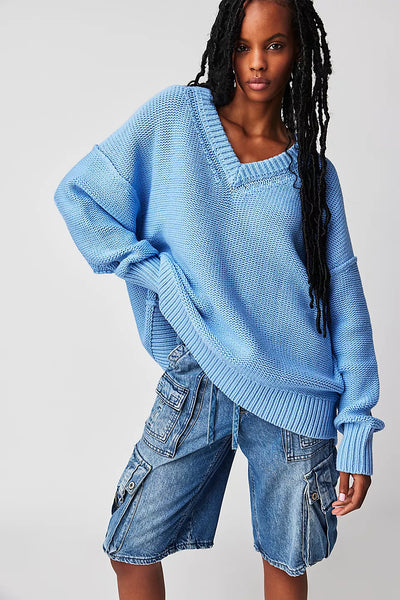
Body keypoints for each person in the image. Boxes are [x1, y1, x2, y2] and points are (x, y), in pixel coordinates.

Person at [53, 0, 385, 598]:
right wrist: (158, 276)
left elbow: (347, 308)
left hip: (295, 399)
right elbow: (81, 196)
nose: (257, 63)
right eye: (243, 46)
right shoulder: (176, 120)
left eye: (275, 45)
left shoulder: (314, 176)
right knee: (130, 549)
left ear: (298, 52)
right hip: (198, 379)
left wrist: (357, 429)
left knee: (287, 566)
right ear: (226, 44)